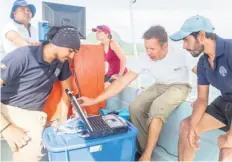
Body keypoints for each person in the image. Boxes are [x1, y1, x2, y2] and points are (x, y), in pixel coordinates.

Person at [79, 25, 197, 161]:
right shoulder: (145, 57)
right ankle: (144, 149)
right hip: (160, 85)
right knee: (135, 107)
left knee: (157, 107)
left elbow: (203, 73)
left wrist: (201, 98)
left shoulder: (181, 53)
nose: (148, 52)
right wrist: (94, 100)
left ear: (165, 47)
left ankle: (147, 155)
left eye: (152, 49)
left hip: (180, 86)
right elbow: (122, 82)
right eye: (146, 48)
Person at [0, 26, 80, 161]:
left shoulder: (62, 62)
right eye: (70, 51)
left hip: (33, 114)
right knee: (30, 154)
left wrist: (62, 121)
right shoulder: (22, 56)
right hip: (7, 108)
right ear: (58, 43)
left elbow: (67, 93)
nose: (71, 56)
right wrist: (7, 128)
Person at [169, 15, 232, 161]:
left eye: (186, 40)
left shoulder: (230, 50)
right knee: (186, 127)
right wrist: (192, 129)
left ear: (202, 35)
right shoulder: (203, 62)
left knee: (227, 148)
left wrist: (229, 138)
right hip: (226, 101)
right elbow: (202, 99)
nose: (184, 46)